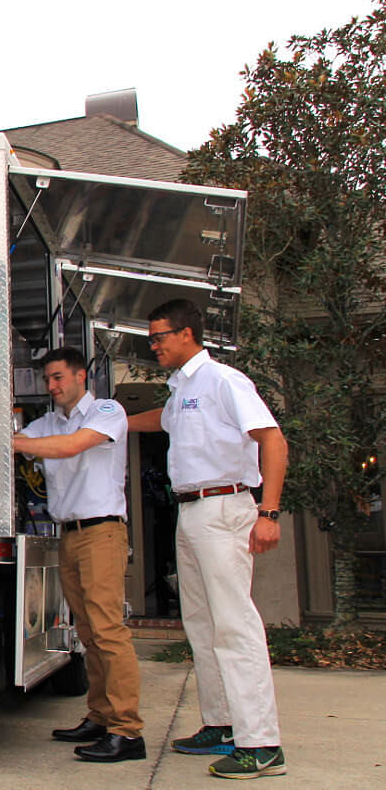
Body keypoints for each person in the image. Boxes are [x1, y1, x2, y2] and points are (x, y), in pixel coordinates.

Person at [128, 298, 288, 780]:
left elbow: (273, 440)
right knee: (201, 624)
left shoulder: (224, 381)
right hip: (193, 510)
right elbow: (162, 419)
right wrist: (110, 421)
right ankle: (220, 725)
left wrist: (269, 512)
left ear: (186, 335)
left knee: (235, 625)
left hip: (226, 508)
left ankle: (262, 744)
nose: (153, 345)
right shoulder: (183, 391)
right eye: (151, 338)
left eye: (159, 337)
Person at [14, 347, 145, 763]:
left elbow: (72, 446)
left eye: (58, 378)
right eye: (48, 380)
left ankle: (127, 731)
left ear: (80, 376)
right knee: (87, 633)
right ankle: (100, 716)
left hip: (102, 532)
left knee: (108, 631)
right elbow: (20, 443)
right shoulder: (47, 422)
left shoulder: (107, 411)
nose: (52, 387)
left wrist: (20, 442)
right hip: (68, 535)